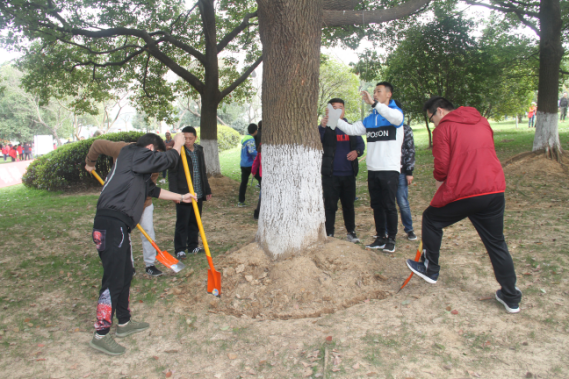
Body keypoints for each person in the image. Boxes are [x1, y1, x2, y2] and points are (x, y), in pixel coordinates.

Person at [406, 96, 522, 314]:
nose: (433, 124)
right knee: (497, 243)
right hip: (494, 189)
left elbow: (442, 166)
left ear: (439, 111)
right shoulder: (482, 121)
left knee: (431, 218)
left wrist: (440, 181)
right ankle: (511, 296)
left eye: (431, 119)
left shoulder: (444, 129)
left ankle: (431, 269)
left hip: (467, 191)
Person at [84, 132, 195, 355]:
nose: (155, 166)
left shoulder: (136, 170)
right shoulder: (132, 152)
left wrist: (180, 197)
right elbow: (169, 159)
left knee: (126, 273)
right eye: (156, 157)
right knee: (114, 279)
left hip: (119, 226)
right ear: (152, 149)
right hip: (111, 224)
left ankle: (124, 322)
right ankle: (101, 334)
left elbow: (152, 191)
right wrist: (178, 145)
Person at [327, 82, 404, 253]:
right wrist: (333, 117)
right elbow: (351, 129)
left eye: (379, 91)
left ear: (388, 94)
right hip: (373, 169)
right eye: (374, 91)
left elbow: (396, 119)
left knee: (389, 205)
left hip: (389, 168)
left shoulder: (395, 114)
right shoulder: (371, 118)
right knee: (376, 205)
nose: (375, 94)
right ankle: (380, 237)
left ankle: (391, 239)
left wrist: (375, 104)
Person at [85, 139, 166, 277]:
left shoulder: (155, 163)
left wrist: (142, 205)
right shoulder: (122, 148)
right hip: (121, 204)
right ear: (149, 147)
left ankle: (150, 264)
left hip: (143, 202)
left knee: (148, 231)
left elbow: (150, 187)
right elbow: (97, 144)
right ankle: (129, 266)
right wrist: (90, 163)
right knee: (124, 235)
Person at [319, 98, 365, 242]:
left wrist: (357, 152)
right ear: (328, 110)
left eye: (340, 107)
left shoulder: (350, 127)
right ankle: (329, 233)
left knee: (348, 205)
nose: (338, 110)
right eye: (334, 108)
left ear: (344, 110)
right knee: (330, 205)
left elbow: (360, 145)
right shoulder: (325, 127)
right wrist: (321, 127)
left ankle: (351, 232)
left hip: (349, 174)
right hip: (331, 174)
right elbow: (316, 142)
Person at [169, 126, 212, 259]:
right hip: (183, 193)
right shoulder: (178, 151)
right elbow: (173, 173)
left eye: (190, 138)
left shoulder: (199, 150)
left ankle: (193, 245)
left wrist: (207, 189)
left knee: (195, 221)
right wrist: (175, 194)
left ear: (195, 138)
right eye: (185, 138)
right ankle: (180, 248)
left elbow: (202, 170)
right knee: (183, 222)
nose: (187, 141)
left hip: (197, 192)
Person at [382, 101, 417, 241]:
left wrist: (409, 172)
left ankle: (409, 229)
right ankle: (384, 230)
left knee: (402, 202)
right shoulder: (384, 128)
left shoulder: (405, 129)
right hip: (386, 171)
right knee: (386, 202)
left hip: (401, 172)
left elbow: (410, 151)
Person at [238, 123, 258, 207]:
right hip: (250, 164)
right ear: (255, 131)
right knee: (261, 179)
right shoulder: (251, 139)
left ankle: (240, 201)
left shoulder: (245, 138)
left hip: (243, 163)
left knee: (243, 183)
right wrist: (259, 153)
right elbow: (251, 151)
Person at [252, 144, 262, 220]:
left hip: (262, 174)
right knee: (262, 194)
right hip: (264, 175)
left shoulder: (261, 146)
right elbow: (257, 160)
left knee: (262, 194)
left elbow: (256, 161)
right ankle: (257, 213)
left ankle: (257, 213)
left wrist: (253, 171)